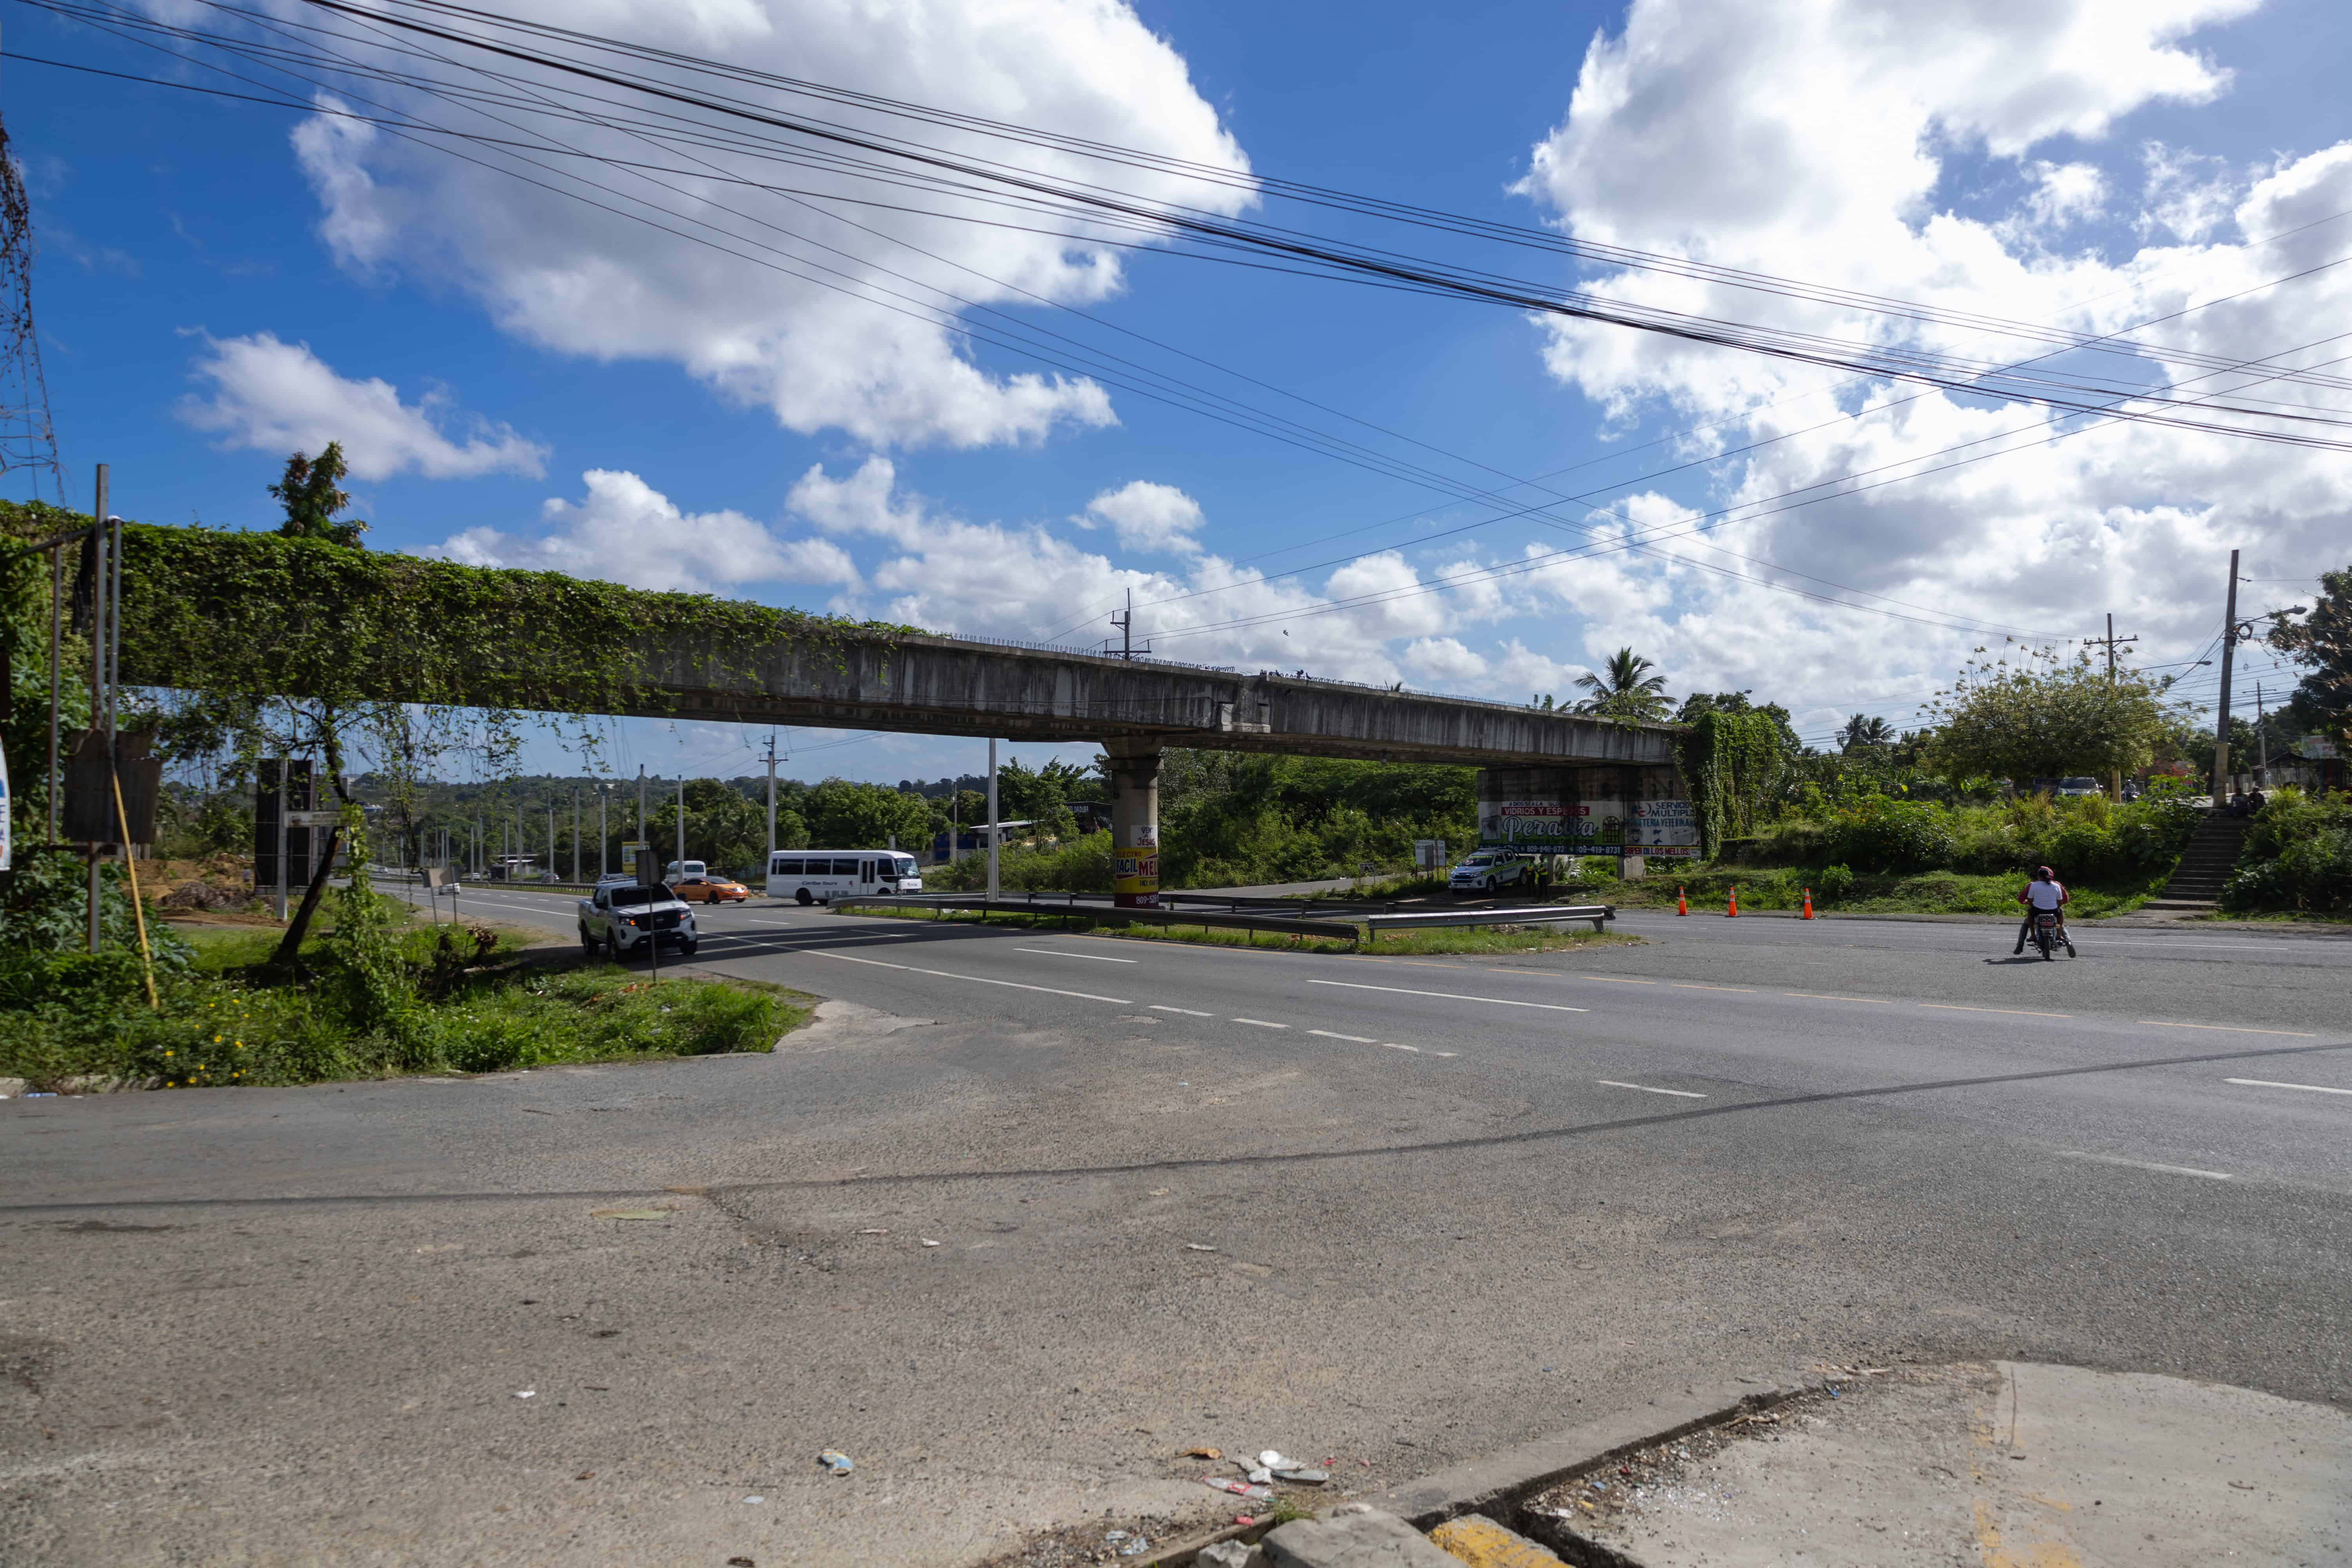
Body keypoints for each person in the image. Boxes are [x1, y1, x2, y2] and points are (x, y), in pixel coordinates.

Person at [2014, 865, 2070, 955]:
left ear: (2039, 876)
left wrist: (2029, 903)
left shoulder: (2032, 885)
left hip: (2037, 911)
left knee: (2026, 923)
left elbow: (2023, 900)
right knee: (2060, 924)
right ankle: (2068, 942)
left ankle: (2020, 945)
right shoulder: (2057, 885)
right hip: (2053, 911)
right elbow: (2065, 900)